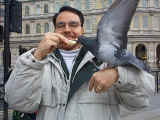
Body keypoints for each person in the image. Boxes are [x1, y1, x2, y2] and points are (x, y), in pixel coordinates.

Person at [5, 6, 155, 120]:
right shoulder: (36, 60)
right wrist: (37, 56)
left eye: (73, 25)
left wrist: (118, 74)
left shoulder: (106, 60)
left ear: (82, 29)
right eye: (61, 25)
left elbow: (140, 102)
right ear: (54, 30)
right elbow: (18, 102)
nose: (67, 29)